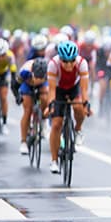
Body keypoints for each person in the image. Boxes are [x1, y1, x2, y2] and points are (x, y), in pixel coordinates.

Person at [46, 41, 90, 173]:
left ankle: (77, 130)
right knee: (56, 124)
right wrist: (51, 105)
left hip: (74, 88)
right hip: (59, 90)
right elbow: (52, 90)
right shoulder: (53, 65)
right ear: (60, 59)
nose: (69, 65)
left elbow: (84, 89)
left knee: (78, 108)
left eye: (72, 61)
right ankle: (54, 160)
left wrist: (86, 104)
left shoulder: (82, 63)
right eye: (65, 61)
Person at [13, 58, 48, 154]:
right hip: (27, 85)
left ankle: (43, 120)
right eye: (37, 77)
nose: (38, 80)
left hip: (42, 87)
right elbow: (15, 86)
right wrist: (17, 96)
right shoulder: (25, 71)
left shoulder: (50, 71)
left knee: (45, 97)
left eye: (41, 78)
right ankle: (23, 142)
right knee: (27, 110)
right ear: (32, 72)